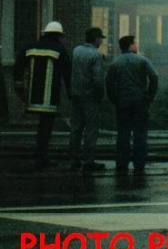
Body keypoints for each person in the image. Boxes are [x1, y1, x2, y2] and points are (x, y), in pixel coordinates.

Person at [13, 21, 72, 170]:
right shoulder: (60, 49)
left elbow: (18, 67)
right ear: (59, 35)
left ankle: (40, 156)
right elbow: (67, 73)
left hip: (33, 96)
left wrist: (19, 88)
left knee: (42, 126)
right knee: (46, 127)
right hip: (50, 97)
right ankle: (42, 157)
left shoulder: (30, 47)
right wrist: (70, 92)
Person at [106, 35, 159, 175]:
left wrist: (115, 100)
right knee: (140, 134)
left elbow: (109, 84)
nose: (137, 46)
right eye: (135, 43)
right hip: (140, 101)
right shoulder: (142, 60)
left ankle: (122, 164)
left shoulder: (115, 63)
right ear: (130, 45)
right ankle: (139, 164)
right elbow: (154, 77)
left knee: (123, 133)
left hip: (123, 102)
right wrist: (150, 96)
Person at [68, 27, 107, 173]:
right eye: (100, 38)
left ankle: (74, 160)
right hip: (90, 96)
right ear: (96, 39)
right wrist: (100, 95)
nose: (102, 41)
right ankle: (89, 161)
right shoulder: (95, 55)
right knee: (91, 129)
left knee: (76, 128)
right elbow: (98, 79)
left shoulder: (76, 50)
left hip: (76, 94)